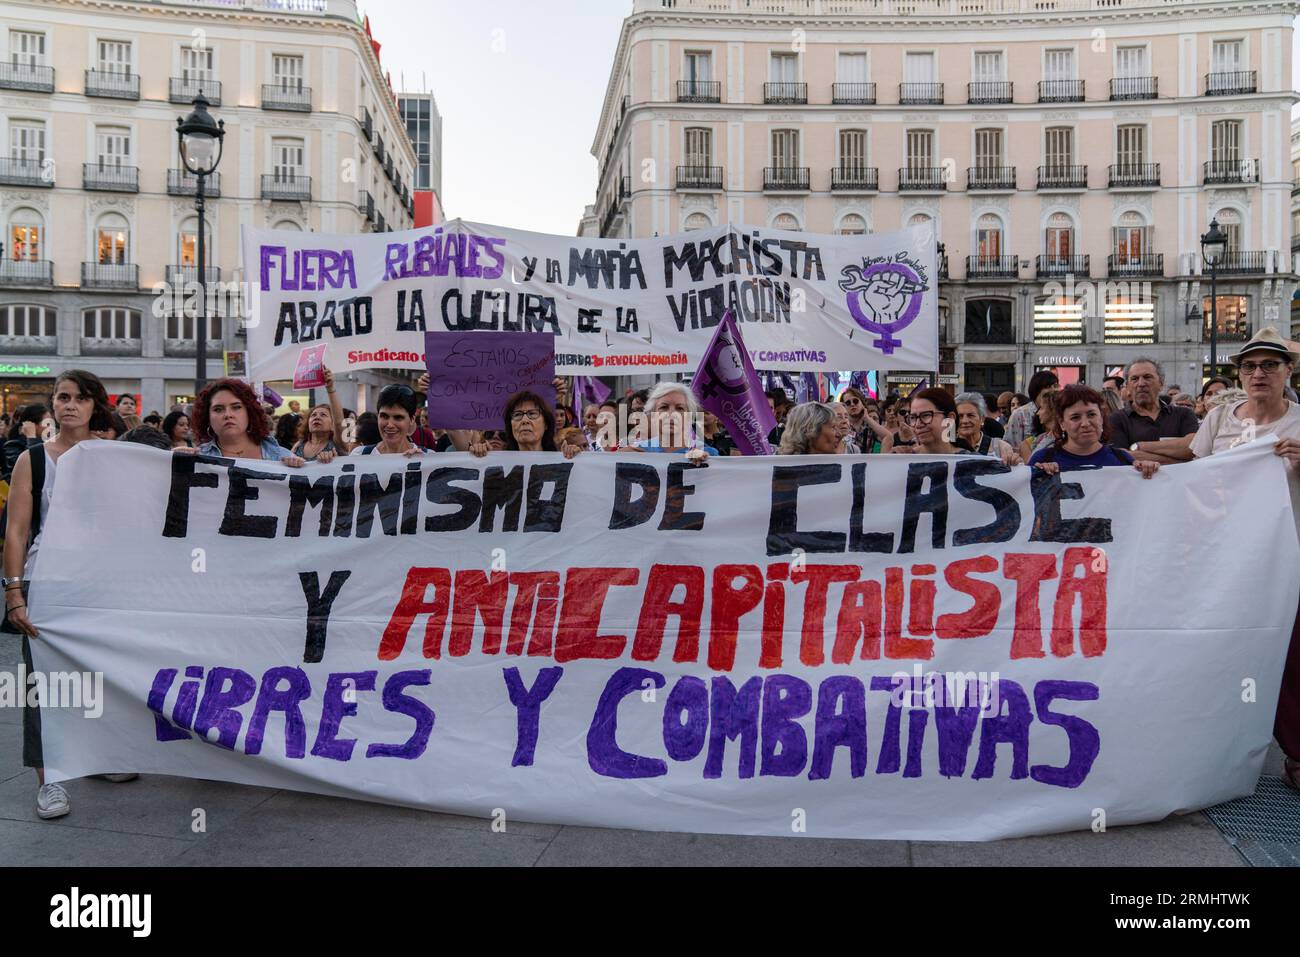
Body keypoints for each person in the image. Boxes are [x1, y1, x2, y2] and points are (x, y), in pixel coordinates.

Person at [3, 370, 136, 821]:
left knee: (98, 675)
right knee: (43, 684)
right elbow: (17, 533)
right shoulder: (33, 460)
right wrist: (14, 593)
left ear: (95, 404)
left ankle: (96, 759)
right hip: (48, 585)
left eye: (80, 398)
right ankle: (50, 779)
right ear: (53, 404)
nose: (69, 405)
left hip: (101, 586)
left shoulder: (112, 457)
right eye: (62, 397)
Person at [1190, 329, 1300, 792]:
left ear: (1287, 372)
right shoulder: (1218, 419)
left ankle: (1295, 751)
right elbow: (1194, 476)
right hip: (1227, 559)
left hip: (1287, 557)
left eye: (1270, 366)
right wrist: (1143, 463)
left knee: (1290, 657)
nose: (1259, 374)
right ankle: (1216, 753)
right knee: (1225, 653)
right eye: (1250, 366)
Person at [1028, 384, 1159, 478]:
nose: (1085, 423)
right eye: (1075, 417)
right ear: (1062, 423)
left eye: (1091, 415)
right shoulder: (1042, 460)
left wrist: (1149, 472)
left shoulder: (1122, 460)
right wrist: (1039, 476)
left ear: (1101, 417)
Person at [192, 378, 304, 464]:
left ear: (249, 412)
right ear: (207, 417)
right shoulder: (195, 459)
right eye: (218, 409)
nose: (228, 415)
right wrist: (178, 464)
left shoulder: (283, 456)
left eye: (236, 407)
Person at [1109, 357, 1200, 464]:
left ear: (1161, 383)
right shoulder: (1117, 419)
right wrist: (1177, 458)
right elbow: (1121, 457)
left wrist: (1138, 446)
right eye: (1134, 379)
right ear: (1127, 386)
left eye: (1147, 377)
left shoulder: (1183, 414)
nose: (1141, 384)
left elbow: (1193, 447)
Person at [469, 391, 582, 458]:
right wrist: (479, 457)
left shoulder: (561, 459)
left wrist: (575, 459)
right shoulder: (497, 463)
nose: (524, 420)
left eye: (532, 414)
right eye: (517, 415)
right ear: (511, 425)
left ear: (546, 424)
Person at [629, 382, 715, 460]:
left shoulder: (708, 453)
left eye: (680, 408)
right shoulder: (636, 451)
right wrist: (619, 456)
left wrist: (706, 464)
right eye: (664, 407)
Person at [891, 388, 972, 456]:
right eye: (913, 417)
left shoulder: (972, 461)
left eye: (926, 415)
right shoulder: (904, 458)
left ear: (950, 419)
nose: (918, 424)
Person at [292, 368, 348, 463]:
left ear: (332, 424)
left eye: (323, 415)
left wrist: (330, 388)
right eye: (313, 415)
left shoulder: (338, 443)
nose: (317, 417)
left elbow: (339, 422)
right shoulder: (299, 445)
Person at [955, 392, 1019, 465]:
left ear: (982, 419)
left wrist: (1014, 461)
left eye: (970, 415)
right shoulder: (948, 448)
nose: (965, 421)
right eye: (960, 416)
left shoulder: (999, 448)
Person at [1006, 371, 1058, 450]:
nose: (1053, 390)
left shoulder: (1060, 411)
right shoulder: (1020, 414)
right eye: (1048, 386)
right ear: (1037, 389)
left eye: (1055, 386)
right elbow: (1011, 446)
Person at [1016, 378, 1061, 463]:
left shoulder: (1067, 440)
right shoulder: (1042, 438)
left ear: (1053, 411)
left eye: (1041, 408)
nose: (1038, 413)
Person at [2, 404, 46, 483]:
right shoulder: (13, 445)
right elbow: (32, 469)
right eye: (47, 423)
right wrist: (32, 439)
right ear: (32, 425)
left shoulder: (49, 442)